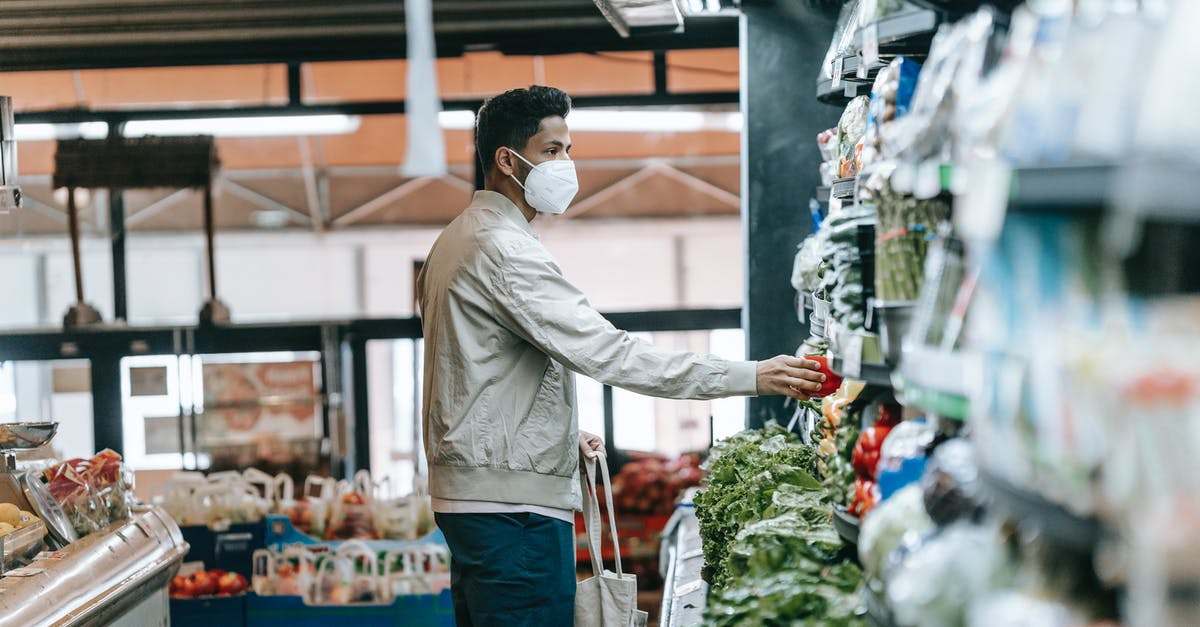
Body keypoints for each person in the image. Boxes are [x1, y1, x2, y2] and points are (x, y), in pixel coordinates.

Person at [417, 85, 827, 627]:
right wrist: (753, 375)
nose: (567, 164)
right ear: (505, 160)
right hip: (511, 510)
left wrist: (559, 434)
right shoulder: (502, 249)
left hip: (480, 498)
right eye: (552, 150)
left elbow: (477, 374)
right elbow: (611, 353)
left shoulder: (458, 239)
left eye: (568, 149)